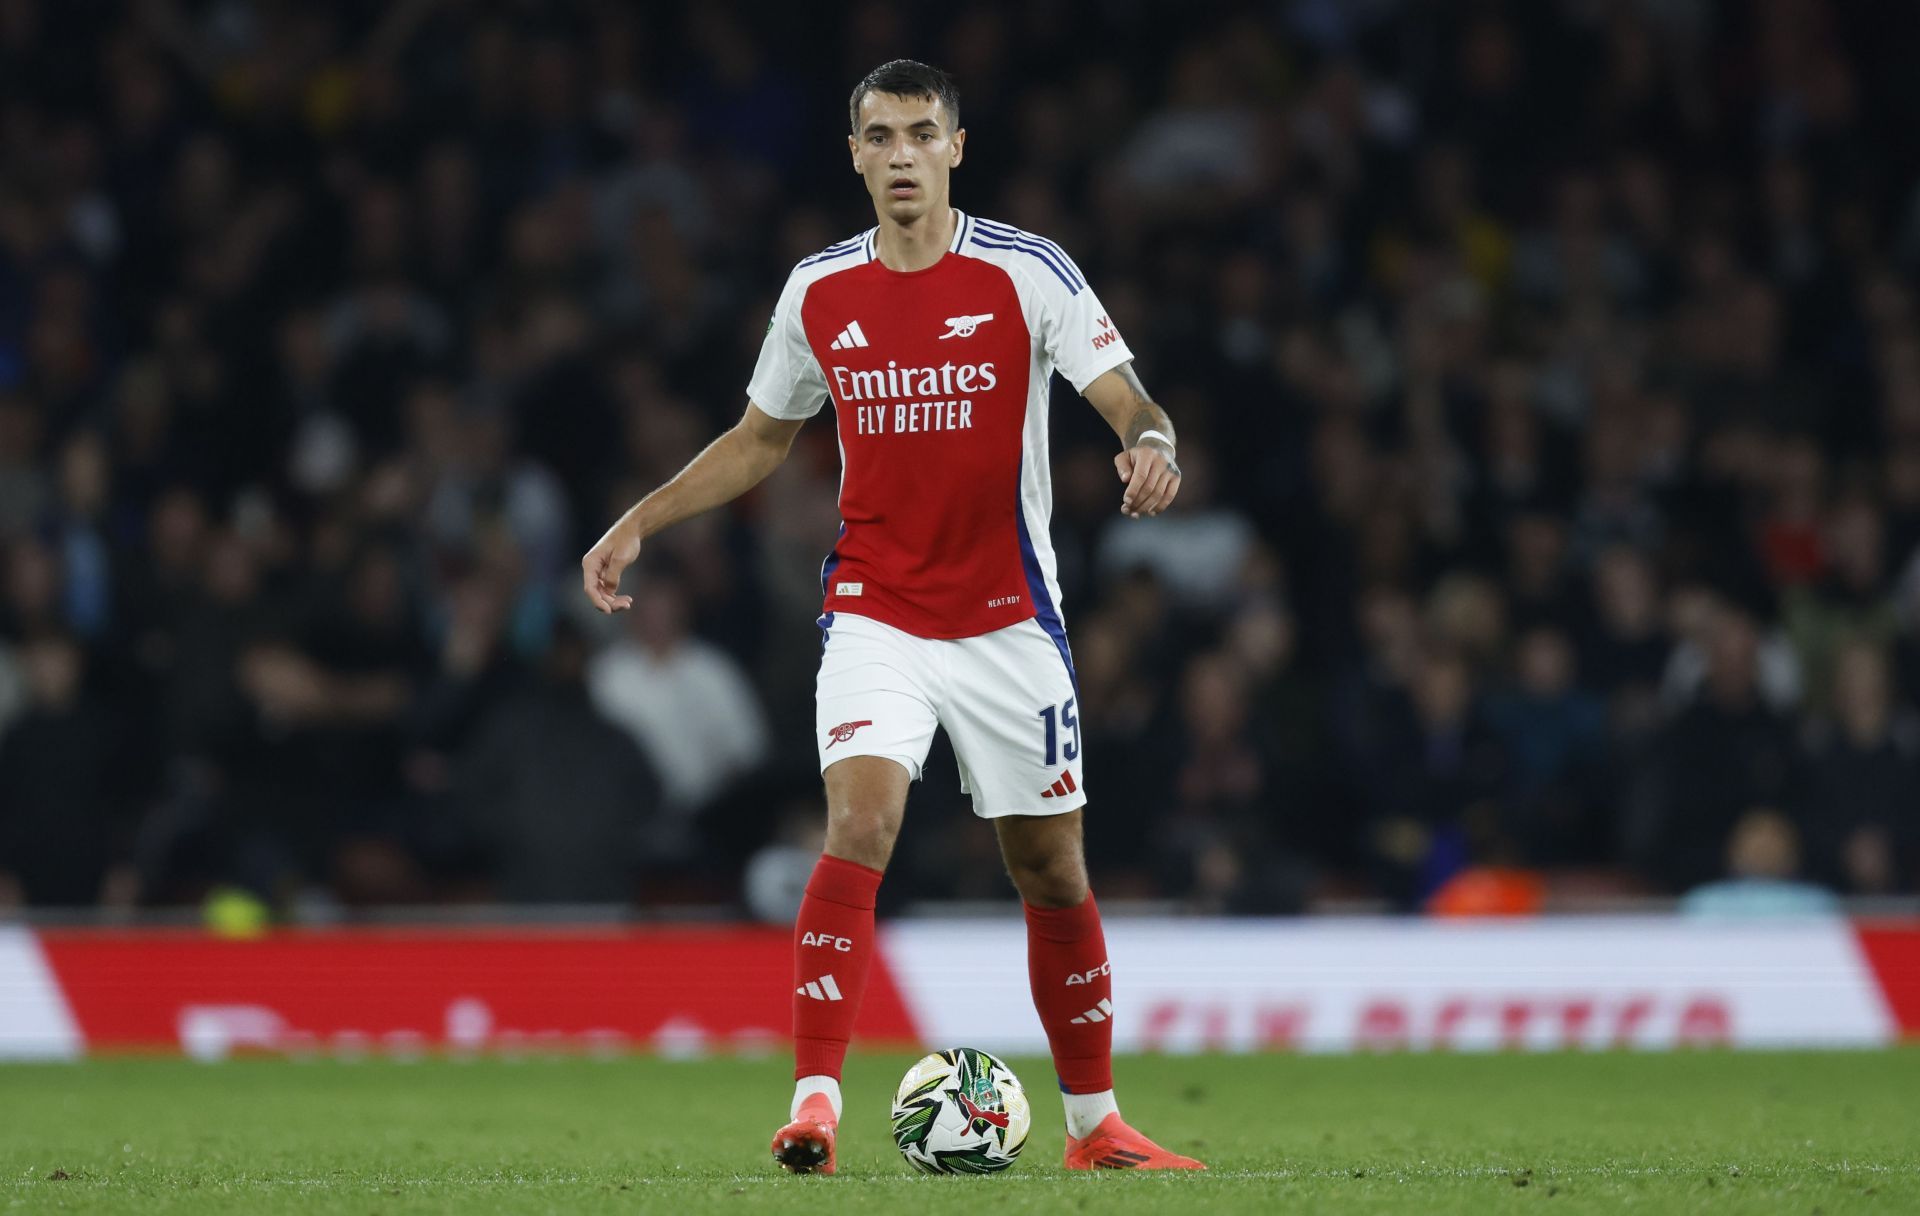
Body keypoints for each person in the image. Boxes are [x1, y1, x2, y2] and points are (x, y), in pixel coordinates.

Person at [581, 61, 1201, 1174]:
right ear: (855, 154)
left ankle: (1094, 1124)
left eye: (923, 132)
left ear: (956, 148)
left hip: (1011, 619)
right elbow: (760, 439)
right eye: (882, 135)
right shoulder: (818, 289)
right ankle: (815, 1102)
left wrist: (1151, 442)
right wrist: (641, 519)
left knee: (1051, 870)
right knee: (860, 826)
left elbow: (1126, 397)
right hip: (878, 613)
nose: (903, 152)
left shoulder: (1026, 272)